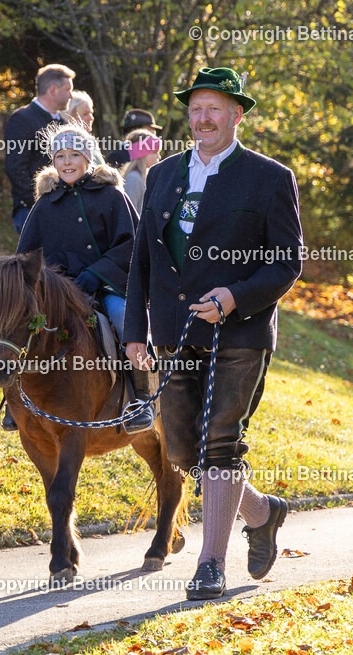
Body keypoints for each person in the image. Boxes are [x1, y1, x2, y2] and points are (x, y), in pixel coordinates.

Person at [124, 67, 303, 600]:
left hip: (241, 334)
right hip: (173, 334)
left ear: (236, 115)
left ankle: (210, 565)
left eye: (215, 109)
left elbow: (287, 262)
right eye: (196, 109)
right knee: (182, 450)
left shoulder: (270, 177)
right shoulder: (163, 176)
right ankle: (262, 512)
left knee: (221, 444)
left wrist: (233, 297)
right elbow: (142, 260)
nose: (203, 118)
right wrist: (137, 330)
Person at [13, 124, 156, 434]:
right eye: (60, 155)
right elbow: (26, 255)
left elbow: (131, 243)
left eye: (74, 155)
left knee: (123, 319)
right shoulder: (45, 204)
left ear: (88, 157)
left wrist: (96, 273)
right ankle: (14, 399)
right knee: (18, 326)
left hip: (106, 285)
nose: (66, 162)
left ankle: (140, 399)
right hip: (57, 291)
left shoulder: (111, 195)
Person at [4, 64, 75, 234]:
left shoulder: (63, 124)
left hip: (61, 211)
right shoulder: (22, 119)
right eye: (68, 89)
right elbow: (16, 169)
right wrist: (41, 203)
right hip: (32, 212)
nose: (71, 95)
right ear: (53, 90)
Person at [121, 130, 161, 210]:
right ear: (143, 154)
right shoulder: (133, 179)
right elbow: (130, 215)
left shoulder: (143, 177)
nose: (158, 157)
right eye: (155, 152)